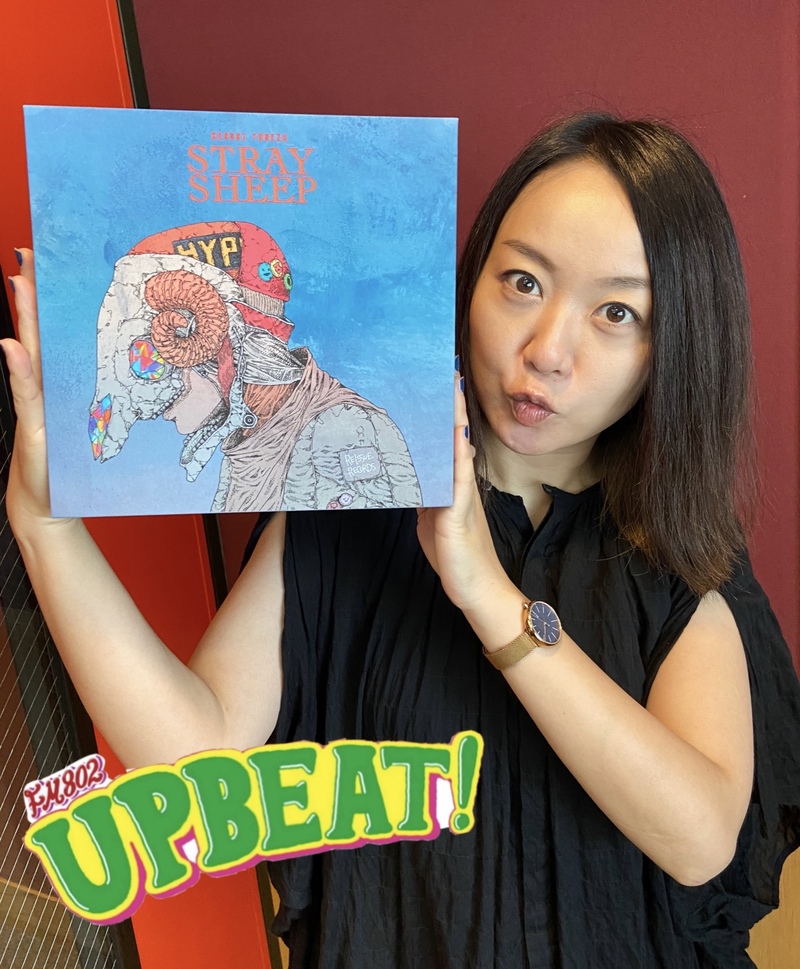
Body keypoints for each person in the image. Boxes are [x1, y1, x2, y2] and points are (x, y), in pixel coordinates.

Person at [4, 112, 800, 968]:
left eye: (616, 311)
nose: (546, 351)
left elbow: (698, 837)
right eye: (523, 281)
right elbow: (190, 753)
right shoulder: (347, 484)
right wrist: (47, 529)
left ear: (673, 342)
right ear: (471, 278)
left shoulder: (678, 548)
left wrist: (487, 593)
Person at [88, 220, 422, 512]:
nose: (158, 397)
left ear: (218, 344)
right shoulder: (249, 438)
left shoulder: (345, 429)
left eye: (161, 355)